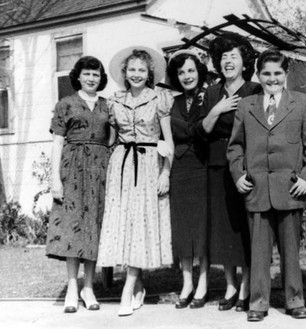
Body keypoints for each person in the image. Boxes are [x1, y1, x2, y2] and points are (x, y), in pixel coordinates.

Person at [227, 49, 306, 322]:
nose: (272, 79)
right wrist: (238, 174)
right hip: (256, 187)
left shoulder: (302, 103)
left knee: (291, 249)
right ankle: (258, 302)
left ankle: (295, 300)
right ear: (258, 75)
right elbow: (235, 147)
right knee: (258, 250)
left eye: (278, 73)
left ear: (286, 74)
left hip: (290, 187)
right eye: (266, 73)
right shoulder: (246, 105)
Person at [96, 47, 174, 316]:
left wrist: (166, 172)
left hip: (150, 163)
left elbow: (169, 142)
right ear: (125, 74)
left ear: (149, 72)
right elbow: (110, 138)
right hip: (121, 164)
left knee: (140, 224)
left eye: (142, 70)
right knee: (125, 225)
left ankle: (127, 289)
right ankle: (138, 283)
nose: (137, 74)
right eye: (132, 70)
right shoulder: (114, 101)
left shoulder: (160, 99)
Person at [195, 32, 261, 311]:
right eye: (223, 57)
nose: (227, 61)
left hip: (247, 163)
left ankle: (247, 284)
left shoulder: (255, 90)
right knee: (223, 229)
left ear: (245, 62)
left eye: (233, 56)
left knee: (244, 226)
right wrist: (217, 109)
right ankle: (230, 284)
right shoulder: (212, 92)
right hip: (217, 163)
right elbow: (202, 131)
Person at [46, 56, 110, 313]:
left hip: (100, 170)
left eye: (96, 74)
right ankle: (73, 287)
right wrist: (54, 179)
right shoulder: (65, 104)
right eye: (87, 74)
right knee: (73, 227)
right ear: (78, 76)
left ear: (100, 78)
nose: (91, 78)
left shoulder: (108, 105)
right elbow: (57, 143)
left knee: (94, 226)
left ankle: (89, 287)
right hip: (72, 169)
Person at [165, 49, 209, 309]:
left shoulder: (210, 97)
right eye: (181, 72)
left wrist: (187, 129)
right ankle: (187, 283)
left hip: (203, 166)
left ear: (199, 72)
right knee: (182, 227)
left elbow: (205, 130)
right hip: (180, 168)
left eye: (191, 70)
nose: (187, 76)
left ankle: (203, 282)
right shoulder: (171, 102)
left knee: (202, 227)